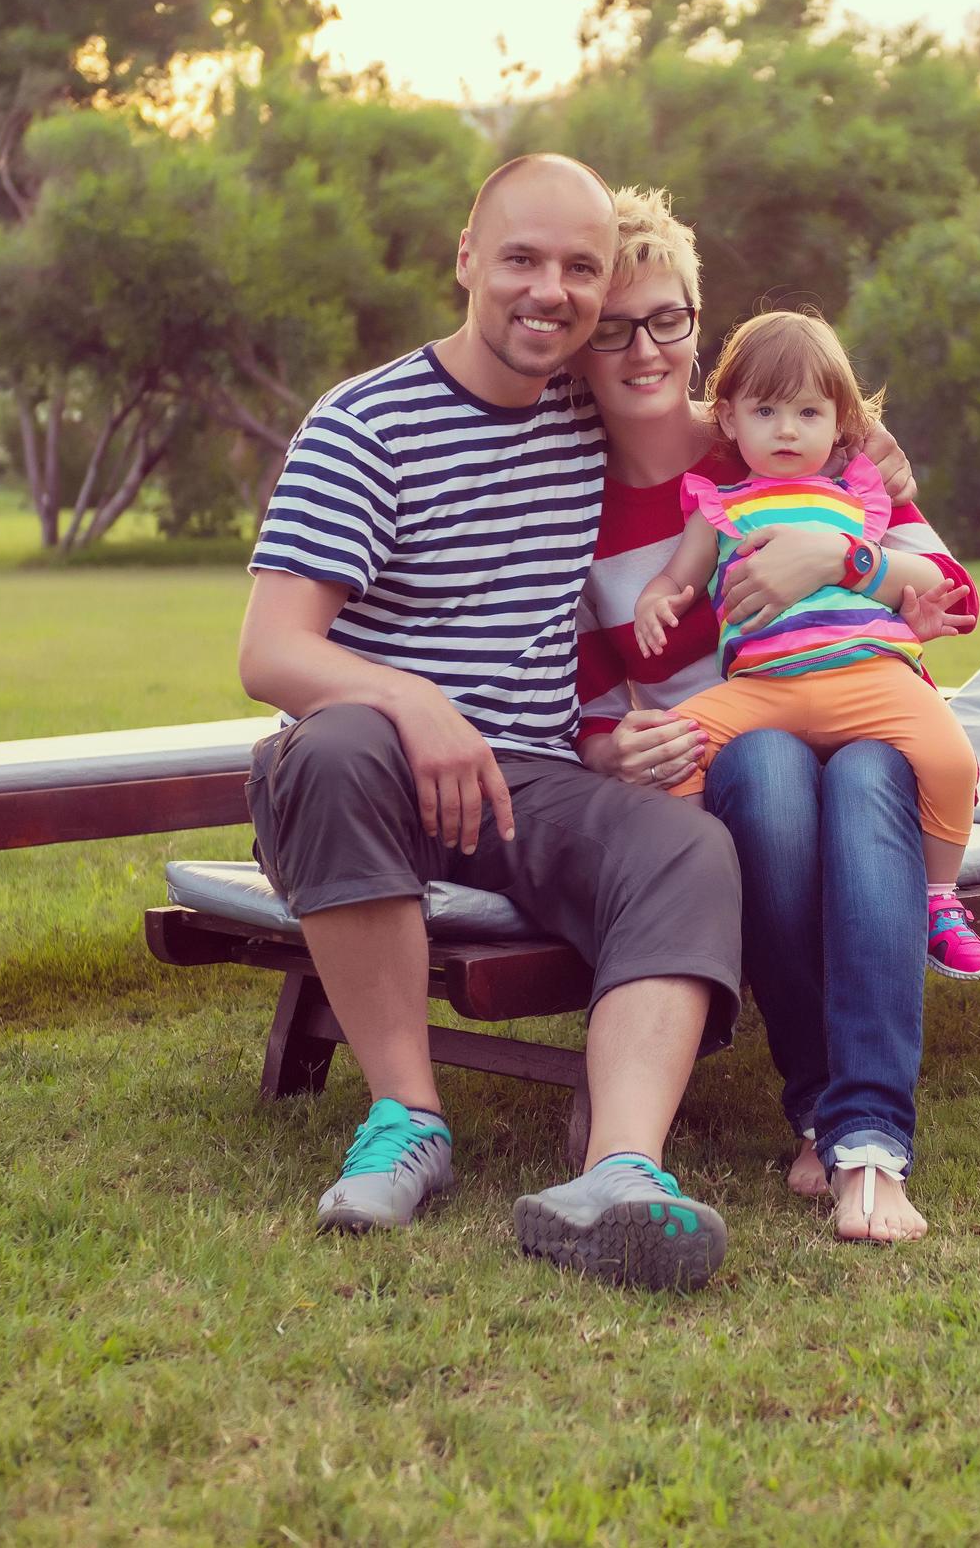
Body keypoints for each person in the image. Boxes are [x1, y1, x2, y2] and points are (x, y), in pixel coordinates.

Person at [234, 153, 741, 1293]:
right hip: (363, 774)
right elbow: (269, 653)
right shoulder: (367, 424)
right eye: (520, 258)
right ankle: (407, 1117)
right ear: (466, 259)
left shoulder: (584, 405)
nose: (548, 290)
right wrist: (417, 699)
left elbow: (728, 422)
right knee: (341, 740)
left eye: (579, 269)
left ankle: (617, 1172)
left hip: (529, 779)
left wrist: (871, 459)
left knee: (686, 844)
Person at [570, 188, 978, 1242]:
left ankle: (866, 1141)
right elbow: (578, 704)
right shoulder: (566, 501)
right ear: (577, 341)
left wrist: (842, 556)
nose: (645, 349)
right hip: (719, 763)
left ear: (699, 329)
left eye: (668, 320)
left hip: (867, 720)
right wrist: (617, 747)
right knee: (771, 771)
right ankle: (828, 1114)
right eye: (611, 328)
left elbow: (954, 598)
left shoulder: (796, 430)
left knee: (865, 775)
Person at [629, 310, 980, 985]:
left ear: (838, 424)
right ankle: (701, 894)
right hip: (763, 689)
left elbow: (920, 580)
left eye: (807, 411)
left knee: (953, 758)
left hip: (867, 675)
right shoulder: (718, 507)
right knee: (671, 745)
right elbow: (676, 576)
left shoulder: (859, 497)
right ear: (730, 421)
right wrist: (657, 598)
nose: (787, 429)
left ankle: (940, 904)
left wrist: (906, 606)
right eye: (765, 411)